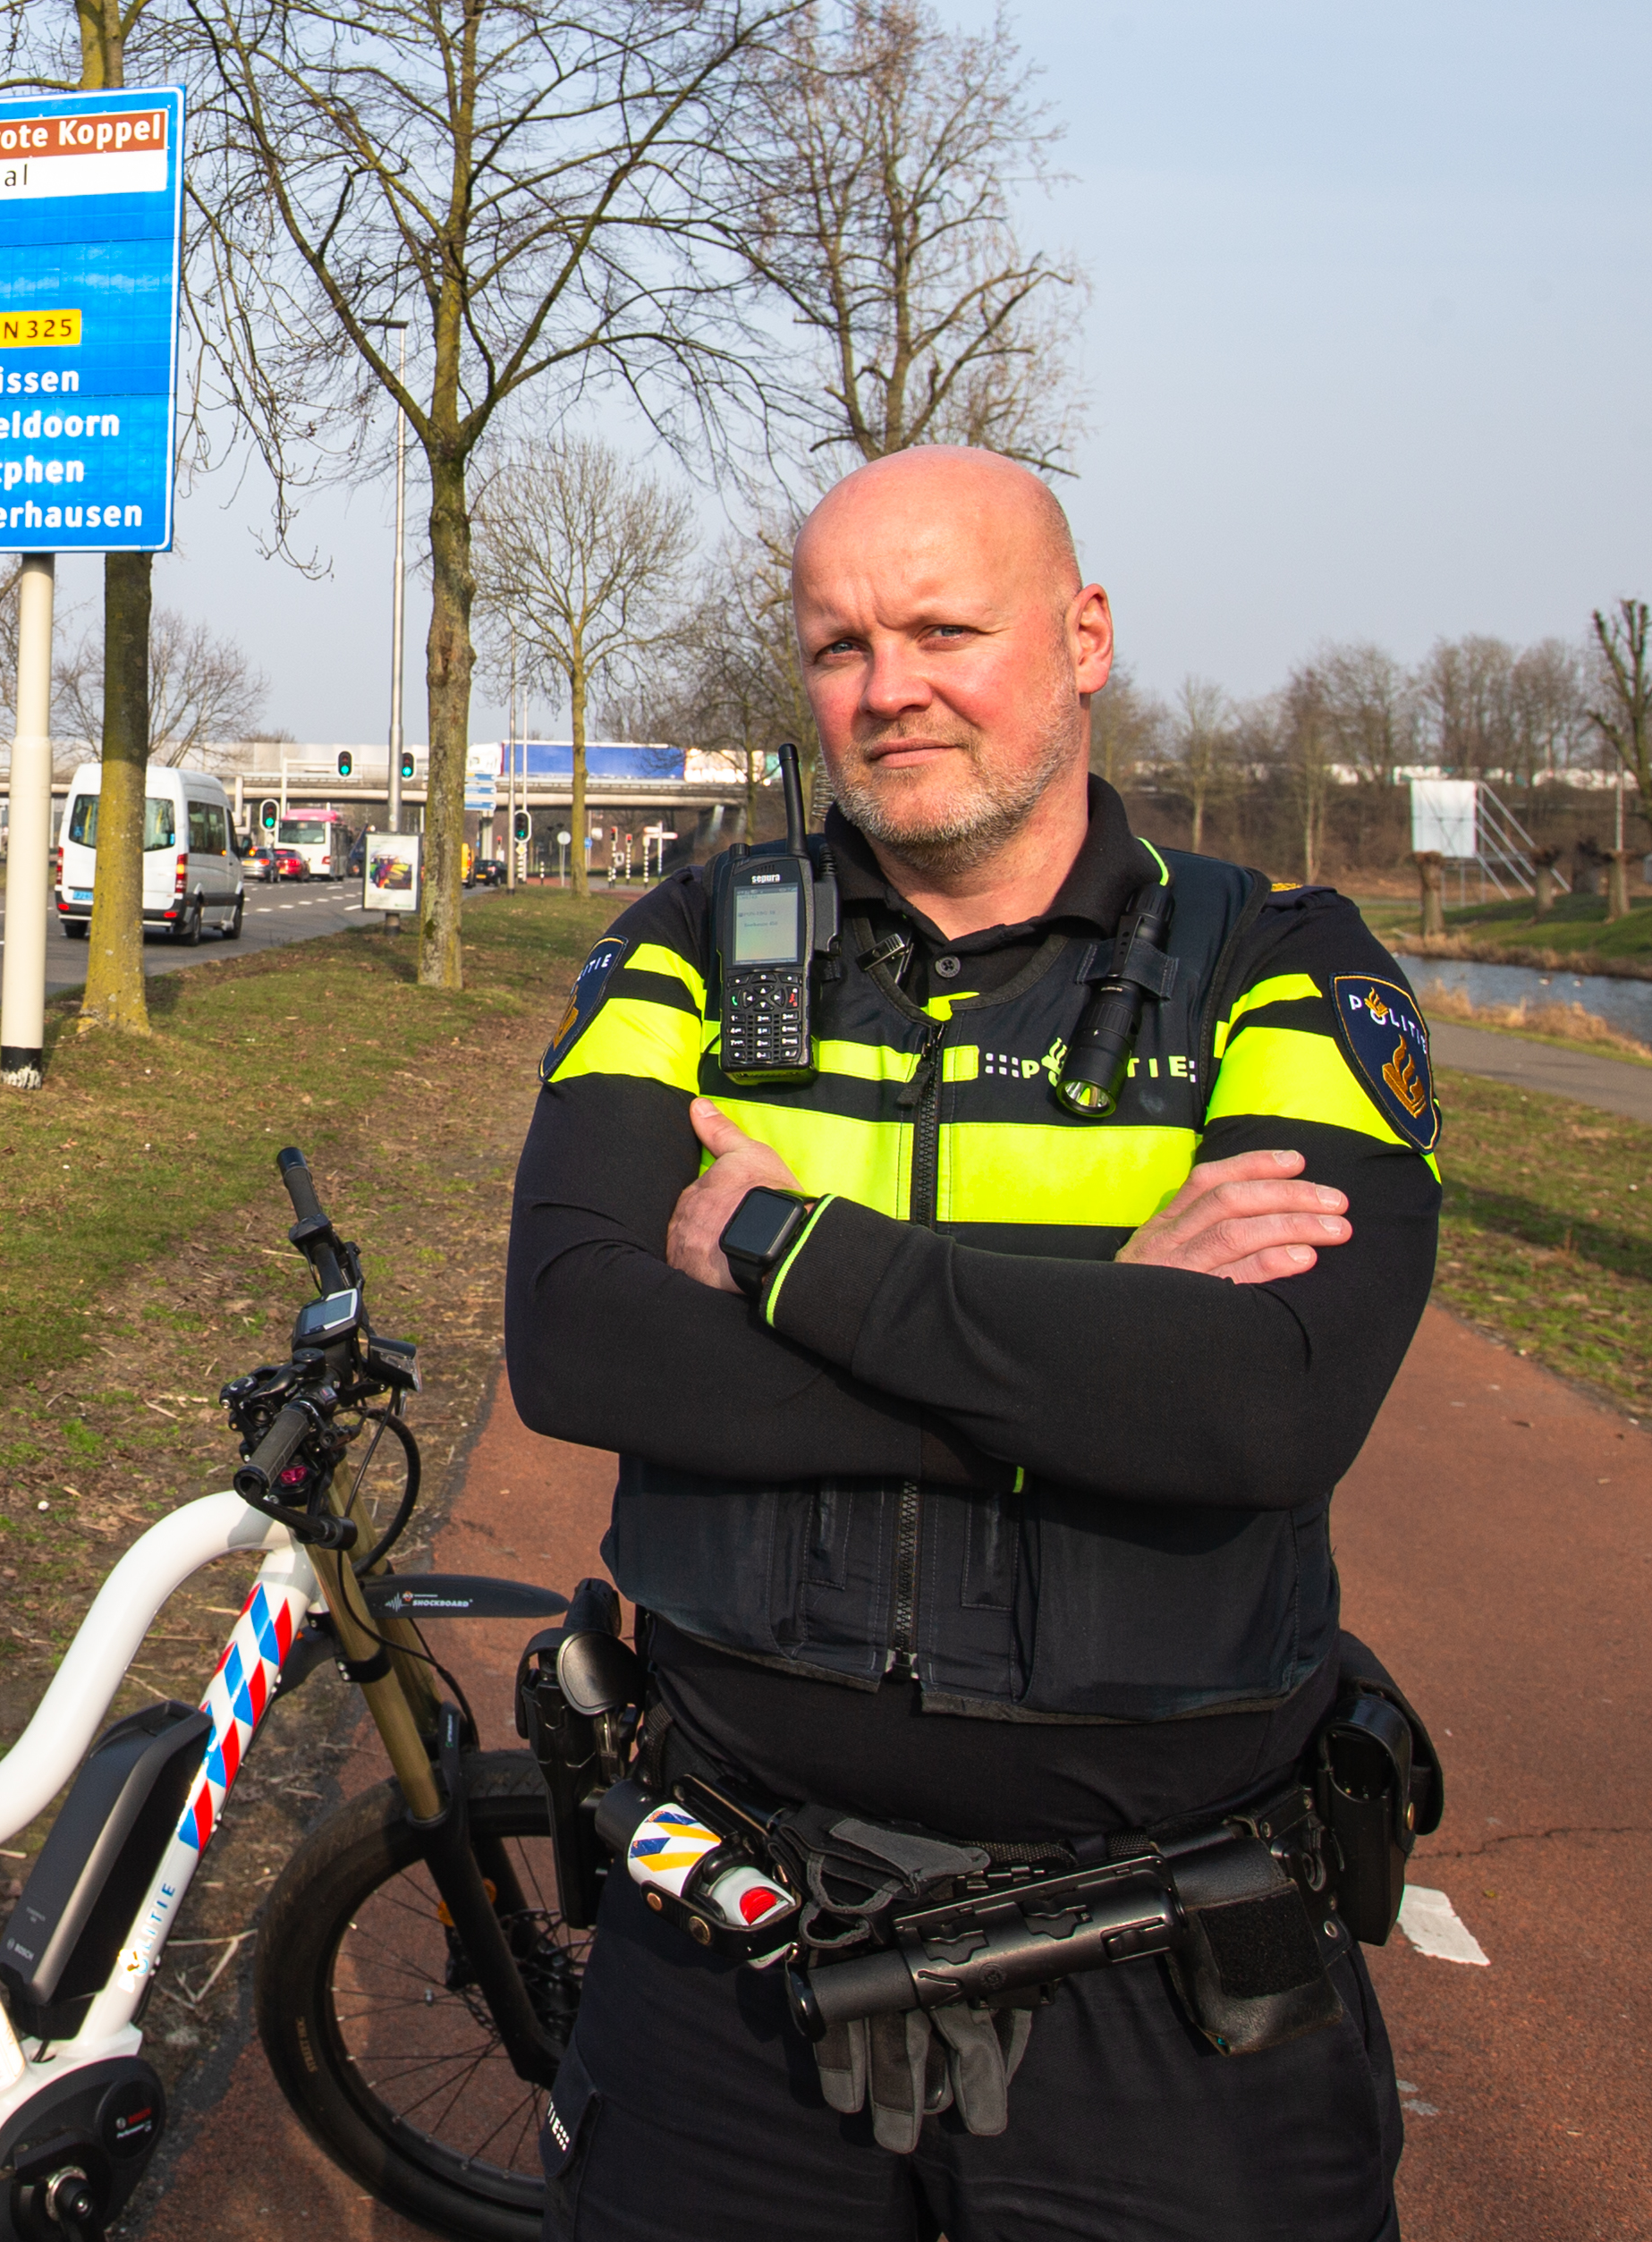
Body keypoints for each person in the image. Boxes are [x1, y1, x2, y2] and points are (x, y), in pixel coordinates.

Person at [504, 446, 1444, 2239]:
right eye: (841, 641)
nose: (890, 686)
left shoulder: (1282, 963)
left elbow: (1265, 1404)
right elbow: (576, 1343)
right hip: (730, 1958)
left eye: (946, 626)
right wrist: (1100, 1345)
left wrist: (787, 1251)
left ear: (1083, 636)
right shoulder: (695, 942)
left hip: (1166, 1984)